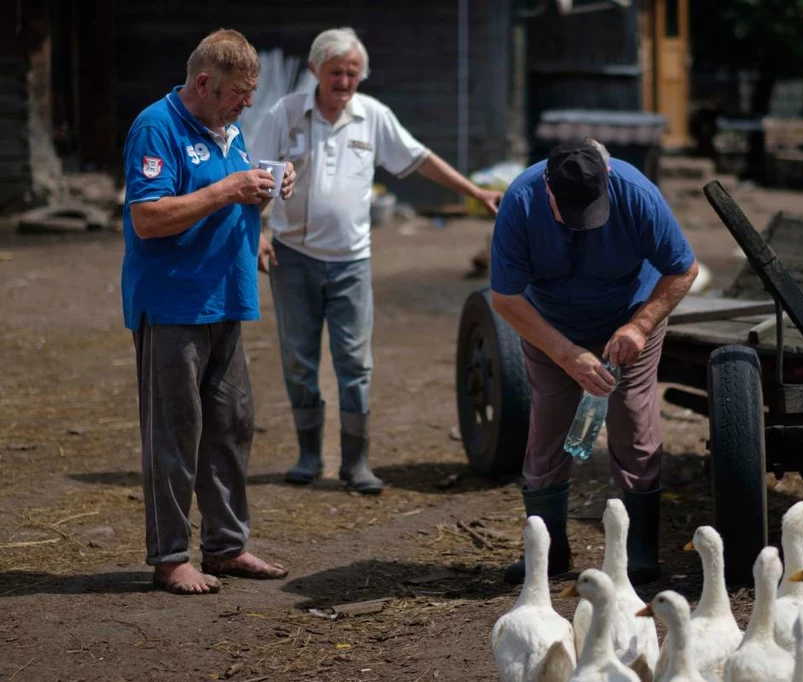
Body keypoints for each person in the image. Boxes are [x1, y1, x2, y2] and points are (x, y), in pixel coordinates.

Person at [247, 27, 503, 493]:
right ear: (314, 71)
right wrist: (256, 234)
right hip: (293, 257)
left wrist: (474, 191)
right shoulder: (284, 115)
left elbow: (420, 159)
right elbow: (254, 175)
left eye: (352, 73)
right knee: (299, 359)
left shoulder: (373, 117)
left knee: (355, 362)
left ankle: (355, 462)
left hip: (351, 262)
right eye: (335, 73)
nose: (344, 82)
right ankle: (308, 456)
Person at [121, 29, 297, 594]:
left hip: (226, 300)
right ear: (204, 83)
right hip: (174, 304)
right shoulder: (157, 126)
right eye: (239, 93)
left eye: (250, 93)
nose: (247, 104)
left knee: (231, 425)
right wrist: (228, 189)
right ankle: (170, 556)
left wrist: (266, 189)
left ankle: (226, 547)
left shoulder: (229, 128)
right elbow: (148, 217)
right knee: (175, 433)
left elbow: (231, 193)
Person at [489, 138, 699, 585]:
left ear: (607, 181)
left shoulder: (637, 194)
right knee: (548, 427)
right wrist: (566, 354)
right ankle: (547, 551)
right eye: (569, 211)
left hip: (628, 318)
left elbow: (683, 270)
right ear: (548, 189)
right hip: (551, 326)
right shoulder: (520, 202)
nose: (581, 224)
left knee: (633, 423)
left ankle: (639, 551)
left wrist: (639, 327)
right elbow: (505, 297)